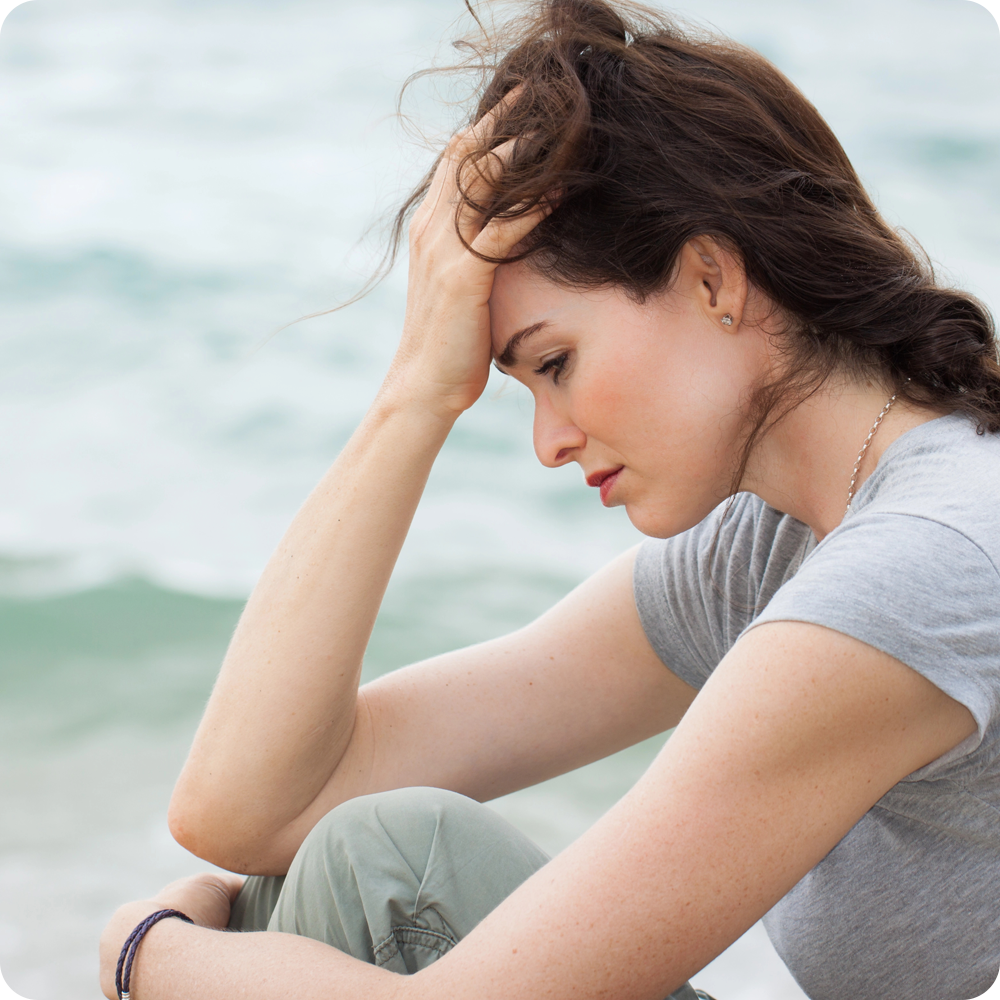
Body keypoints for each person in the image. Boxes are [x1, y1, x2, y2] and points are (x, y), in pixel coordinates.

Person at [99, 1, 1000, 998]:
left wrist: (151, 956)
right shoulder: (770, 553)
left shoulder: (922, 560)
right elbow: (253, 806)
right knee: (383, 852)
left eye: (555, 362)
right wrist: (417, 391)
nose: (548, 442)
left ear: (712, 279)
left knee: (356, 897)